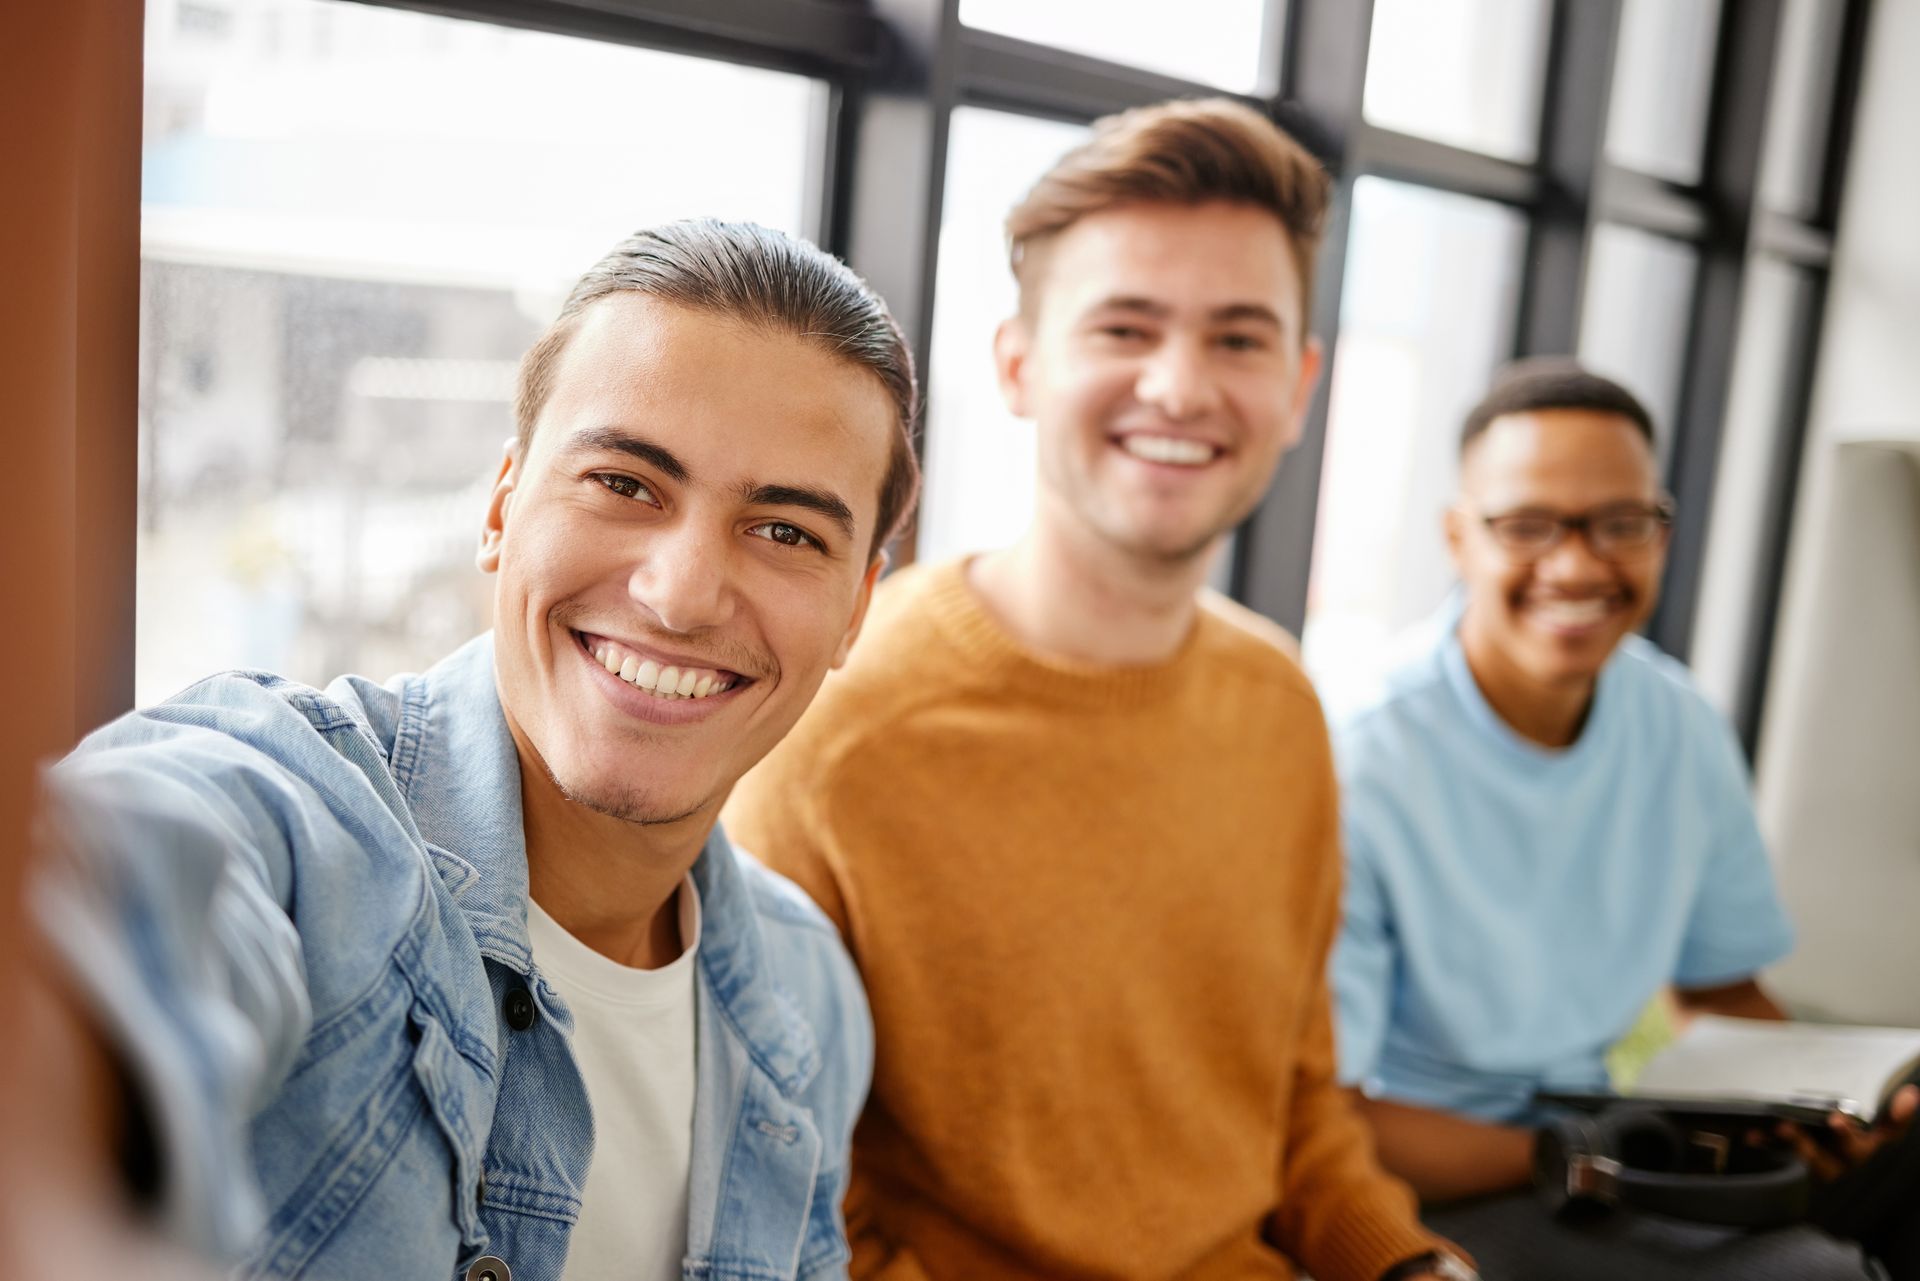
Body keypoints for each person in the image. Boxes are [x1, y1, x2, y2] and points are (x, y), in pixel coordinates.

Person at [29, 220, 917, 1281]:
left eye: (786, 533)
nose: (679, 594)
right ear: (501, 507)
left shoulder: (809, 995)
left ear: (857, 609)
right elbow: (108, 904)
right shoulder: (294, 820)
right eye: (625, 483)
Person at [726, 98, 1470, 1281]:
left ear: (1298, 384)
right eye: (1126, 327)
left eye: (1238, 338)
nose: (1179, 386)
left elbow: (1295, 1112)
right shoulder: (841, 725)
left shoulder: (1278, 707)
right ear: (1019, 366)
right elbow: (799, 1210)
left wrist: (1408, 1265)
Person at [1329, 358, 1912, 1277]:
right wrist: (1572, 1153)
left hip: (1605, 1153)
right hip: (1432, 1181)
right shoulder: (1360, 753)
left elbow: (1718, 992)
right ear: (1456, 536)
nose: (1577, 563)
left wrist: (1823, 1103)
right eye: (1527, 525)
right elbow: (1328, 1113)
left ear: (1662, 533)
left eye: (1620, 523)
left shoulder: (1677, 722)